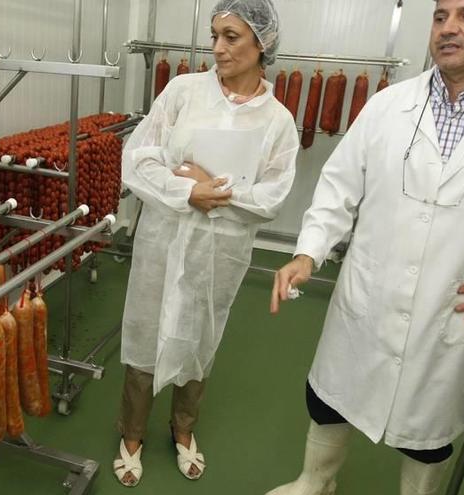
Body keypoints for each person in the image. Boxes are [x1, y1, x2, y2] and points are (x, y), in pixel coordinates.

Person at [268, 0, 464, 494]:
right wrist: (307, 252)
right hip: (369, 295)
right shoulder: (387, 105)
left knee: (430, 430)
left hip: (459, 311)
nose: (448, 28)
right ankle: (313, 483)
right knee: (331, 397)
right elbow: (338, 187)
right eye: (441, 16)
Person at [113, 0, 298, 486]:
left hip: (222, 250)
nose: (217, 48)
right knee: (146, 329)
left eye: (232, 37)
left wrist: (215, 191)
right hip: (164, 240)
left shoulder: (277, 120)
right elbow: (137, 161)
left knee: (201, 336)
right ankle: (131, 433)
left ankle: (183, 429)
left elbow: (273, 196)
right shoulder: (182, 92)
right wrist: (184, 191)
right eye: (215, 34)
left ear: (264, 43)